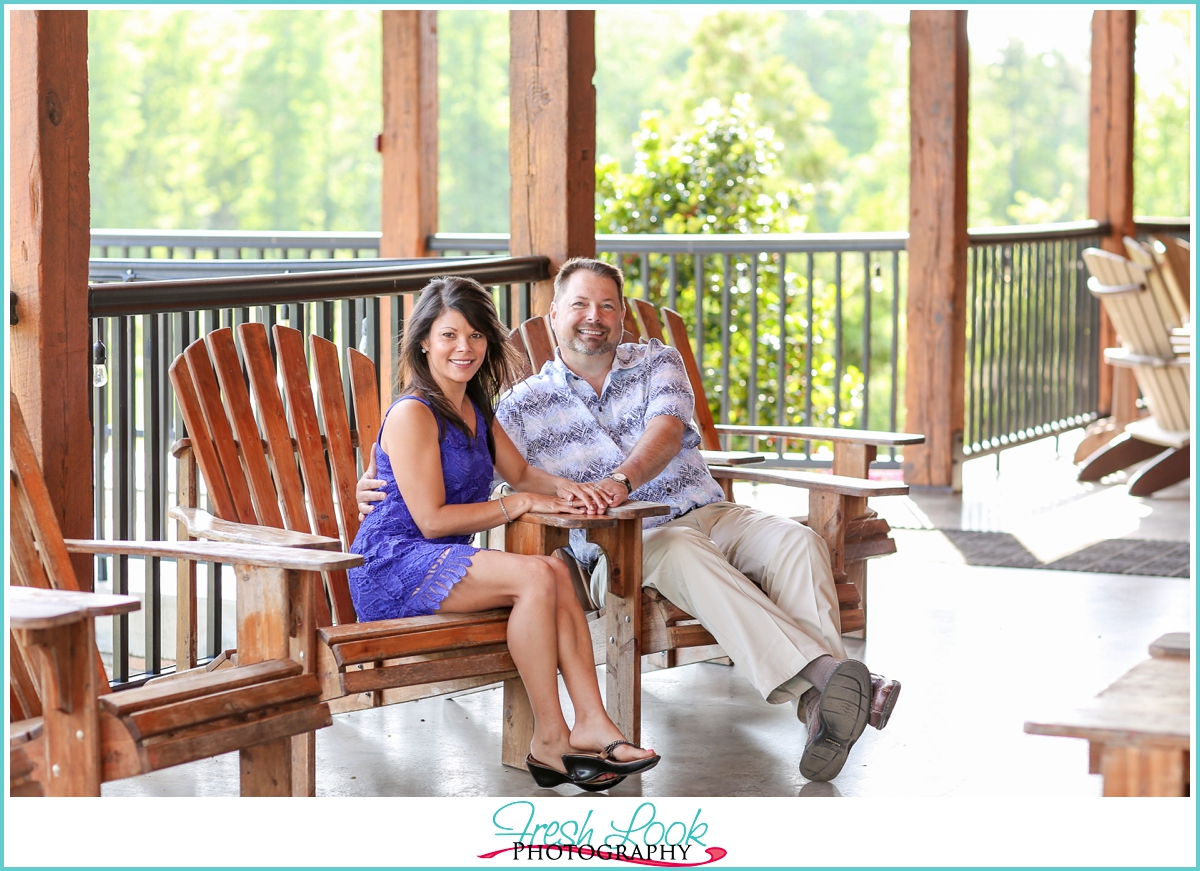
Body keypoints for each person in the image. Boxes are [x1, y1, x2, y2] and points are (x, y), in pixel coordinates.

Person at [359, 260, 900, 783]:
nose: (593, 315)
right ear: (552, 317)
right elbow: (442, 468)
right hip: (624, 542)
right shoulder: (518, 406)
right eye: (579, 304)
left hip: (705, 510)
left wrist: (603, 483)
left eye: (607, 305)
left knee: (798, 542)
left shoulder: (653, 363)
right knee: (641, 556)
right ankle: (832, 679)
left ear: (621, 316)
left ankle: (820, 707)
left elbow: (636, 442)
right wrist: (376, 483)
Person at [348, 275, 659, 792]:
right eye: (448, 335)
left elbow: (527, 477)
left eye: (474, 336)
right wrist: (515, 505)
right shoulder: (413, 413)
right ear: (424, 340)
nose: (463, 348)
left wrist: (578, 492)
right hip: (394, 563)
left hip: (441, 562)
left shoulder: (476, 409)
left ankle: (592, 722)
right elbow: (432, 521)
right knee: (538, 575)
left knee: (557, 570)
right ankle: (550, 739)